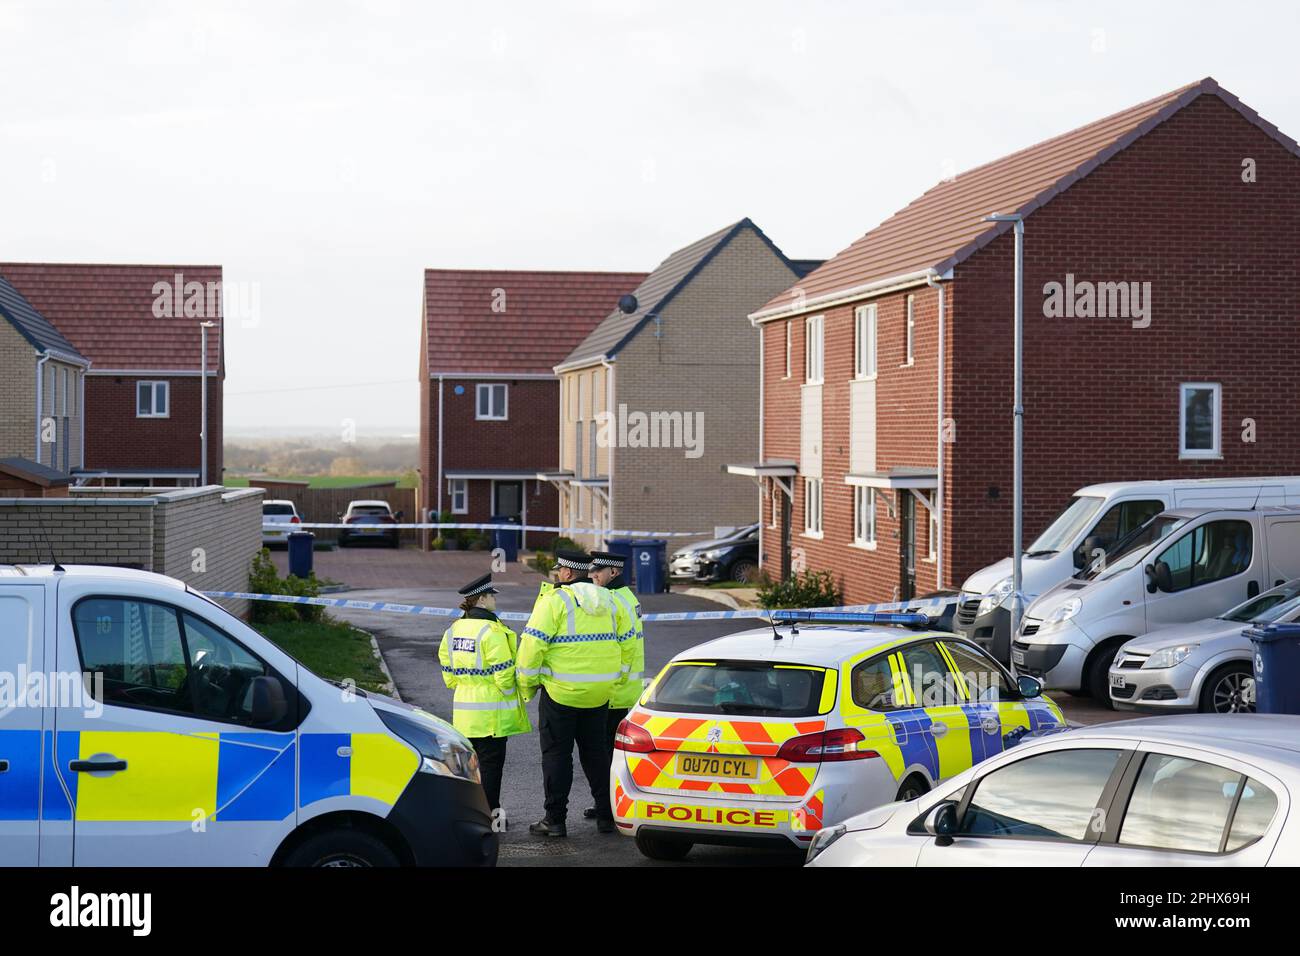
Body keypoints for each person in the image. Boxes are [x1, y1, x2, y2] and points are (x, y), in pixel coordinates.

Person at [517, 549, 635, 837]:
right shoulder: (611, 600)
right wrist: (614, 679)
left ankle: (554, 820)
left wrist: (527, 685)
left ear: (567, 573)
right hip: (599, 694)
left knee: (557, 755)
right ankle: (607, 816)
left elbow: (531, 648)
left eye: (559, 571)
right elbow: (628, 644)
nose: (557, 575)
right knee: (596, 753)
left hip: (561, 694)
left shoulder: (555, 602)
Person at [437, 572, 531, 831]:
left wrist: (458, 683)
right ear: (481, 600)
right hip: (492, 714)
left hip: (465, 710)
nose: (494, 600)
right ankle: (490, 816)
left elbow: (446, 661)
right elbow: (503, 672)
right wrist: (509, 689)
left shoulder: (454, 629)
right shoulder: (491, 630)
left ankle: (469, 813)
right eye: (491, 596)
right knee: (491, 768)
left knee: (470, 767)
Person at [584, 550, 643, 820]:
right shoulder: (626, 597)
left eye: (598, 570)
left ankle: (609, 807)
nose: (592, 574)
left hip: (616, 690)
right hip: (624, 689)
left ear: (614, 572)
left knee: (606, 754)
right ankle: (609, 805)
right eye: (592, 570)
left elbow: (620, 647)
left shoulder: (614, 599)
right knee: (610, 753)